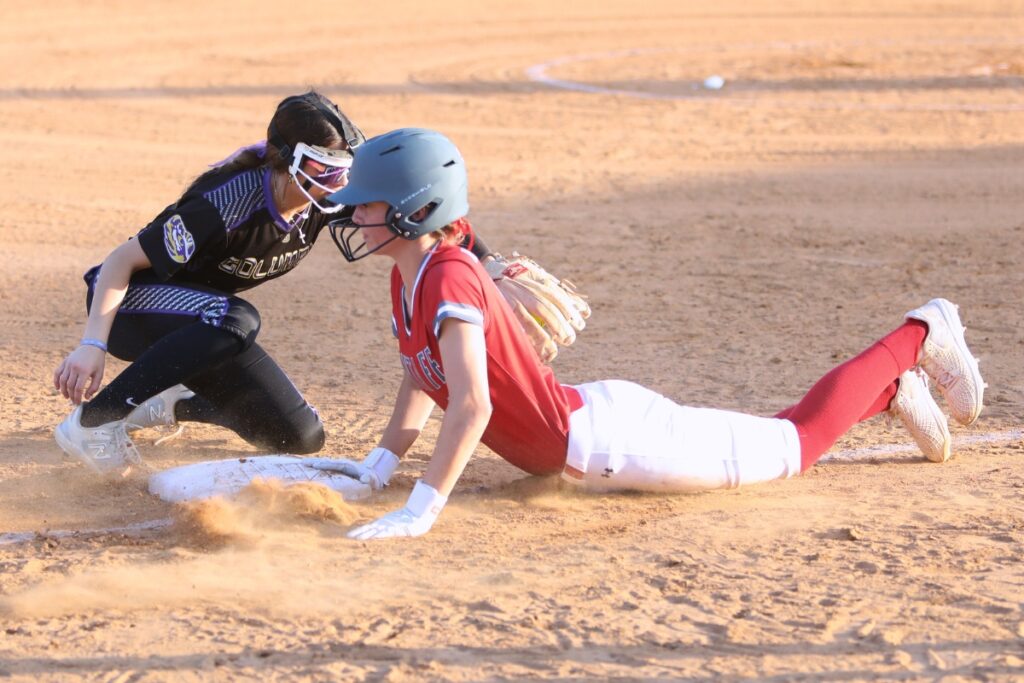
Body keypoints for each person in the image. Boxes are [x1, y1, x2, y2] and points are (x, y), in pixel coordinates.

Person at [321, 128, 986, 540]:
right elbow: (421, 369)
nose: (355, 214)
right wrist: (383, 461)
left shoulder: (448, 278)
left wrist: (422, 506)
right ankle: (891, 389)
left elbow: (471, 404)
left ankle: (920, 330)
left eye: (369, 203)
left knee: (798, 442)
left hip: (620, 444)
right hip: (587, 434)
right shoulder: (409, 276)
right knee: (790, 436)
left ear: (416, 210)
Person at [52, 92, 587, 478]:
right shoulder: (228, 201)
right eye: (323, 169)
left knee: (300, 437)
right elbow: (121, 262)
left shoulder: (325, 197)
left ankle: (167, 399)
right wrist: (91, 346)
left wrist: (489, 264)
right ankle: (94, 422)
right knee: (236, 318)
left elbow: (414, 211)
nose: (339, 187)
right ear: (287, 161)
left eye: (342, 170)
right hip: (131, 310)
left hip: (204, 324)